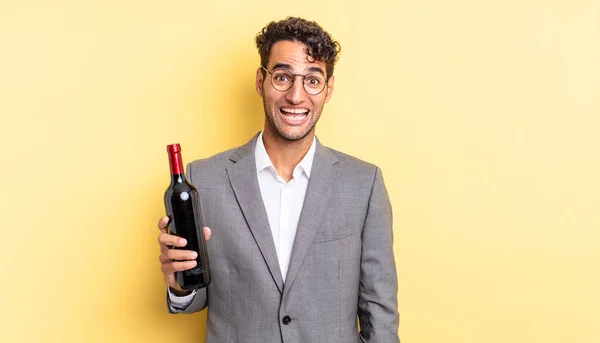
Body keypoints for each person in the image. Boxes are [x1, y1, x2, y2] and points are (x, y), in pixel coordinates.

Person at [157, 16, 400, 342]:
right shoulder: (204, 179)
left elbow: (379, 311)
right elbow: (195, 299)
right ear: (261, 81)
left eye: (312, 80)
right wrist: (178, 284)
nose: (296, 96)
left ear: (328, 89)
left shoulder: (363, 183)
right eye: (283, 77)